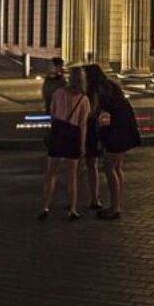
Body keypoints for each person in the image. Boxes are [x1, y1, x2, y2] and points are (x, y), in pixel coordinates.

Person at [82, 64, 138, 220]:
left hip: (117, 131)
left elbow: (93, 113)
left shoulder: (98, 91)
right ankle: (116, 204)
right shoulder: (110, 86)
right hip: (126, 129)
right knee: (117, 168)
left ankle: (114, 208)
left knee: (109, 168)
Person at [40, 66, 94, 221]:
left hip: (58, 132)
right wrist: (82, 145)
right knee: (72, 176)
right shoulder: (84, 99)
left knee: (51, 174)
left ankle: (45, 206)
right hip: (73, 135)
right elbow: (83, 124)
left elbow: (52, 114)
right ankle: (73, 209)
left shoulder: (58, 93)